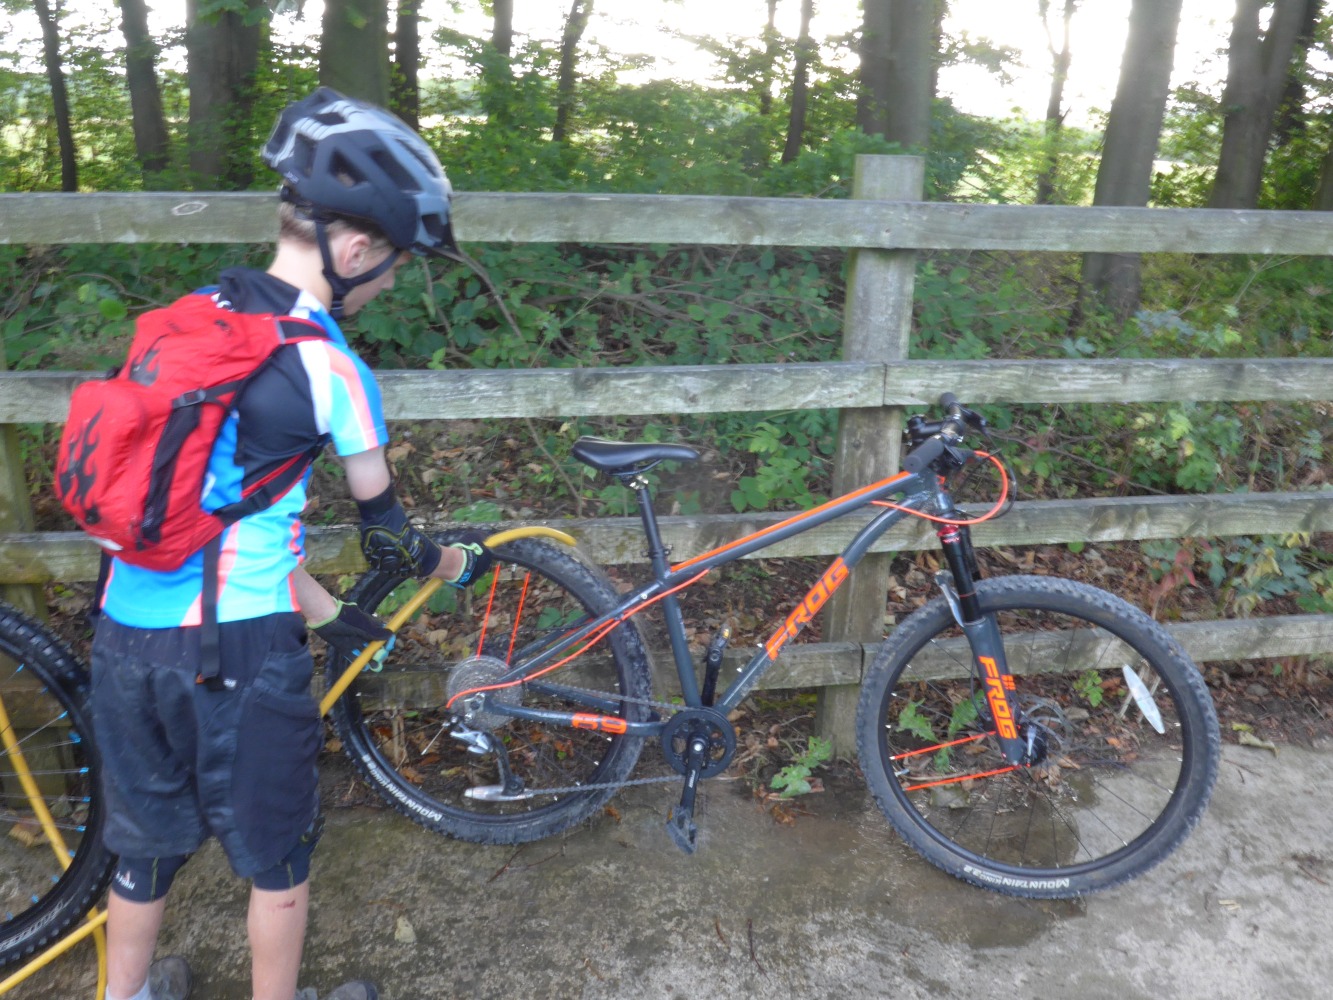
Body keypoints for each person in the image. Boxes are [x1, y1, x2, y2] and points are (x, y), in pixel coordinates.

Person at [90, 88, 493, 1000]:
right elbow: (388, 541)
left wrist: (331, 616)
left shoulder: (179, 323)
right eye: (391, 268)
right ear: (353, 251)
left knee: (143, 840)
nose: (388, 286)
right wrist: (448, 566)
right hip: (238, 654)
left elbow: (219, 517)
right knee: (277, 854)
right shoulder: (329, 365)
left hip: (121, 632)